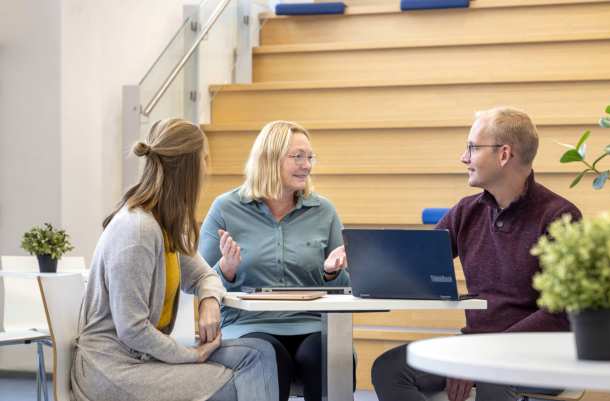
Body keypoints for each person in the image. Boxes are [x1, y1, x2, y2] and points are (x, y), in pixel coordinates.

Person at [329, 107, 582, 401]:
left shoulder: (560, 217)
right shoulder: (466, 211)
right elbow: (415, 266)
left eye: (472, 148)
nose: (464, 158)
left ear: (503, 154)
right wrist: (364, 255)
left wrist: (481, 357)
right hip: (475, 348)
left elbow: (561, 313)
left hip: (537, 353)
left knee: (493, 379)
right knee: (390, 370)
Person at [71, 119, 278, 401]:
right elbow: (132, 330)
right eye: (205, 159)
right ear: (189, 169)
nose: (209, 167)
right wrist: (190, 355)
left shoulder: (163, 224)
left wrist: (209, 302)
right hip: (113, 369)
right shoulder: (138, 231)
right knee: (232, 384)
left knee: (260, 353)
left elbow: (206, 276)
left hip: (144, 356)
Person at [199, 120, 352, 401]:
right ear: (269, 159)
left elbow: (347, 288)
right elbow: (199, 282)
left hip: (312, 325)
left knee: (326, 356)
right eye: (297, 157)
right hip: (248, 325)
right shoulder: (225, 208)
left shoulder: (324, 211)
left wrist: (331, 274)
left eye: (310, 157)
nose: (307, 165)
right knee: (268, 357)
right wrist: (226, 270)